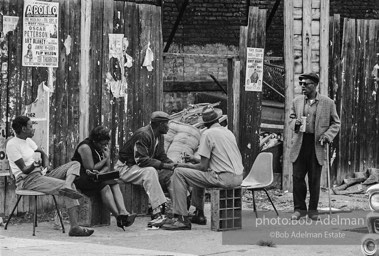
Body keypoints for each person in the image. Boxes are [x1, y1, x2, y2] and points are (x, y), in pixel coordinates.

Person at [6, 116, 94, 237]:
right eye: (31, 126)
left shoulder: (28, 141)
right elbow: (24, 170)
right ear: (23, 128)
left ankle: (67, 185)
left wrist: (46, 166)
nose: (33, 129)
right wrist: (34, 165)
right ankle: (74, 227)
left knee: (75, 164)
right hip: (27, 179)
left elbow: (42, 153)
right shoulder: (12, 144)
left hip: (41, 174)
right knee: (69, 187)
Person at [161, 107, 244, 230]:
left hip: (224, 178)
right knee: (197, 176)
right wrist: (194, 160)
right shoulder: (228, 132)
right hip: (238, 177)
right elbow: (219, 160)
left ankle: (182, 219)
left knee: (178, 173)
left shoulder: (207, 134)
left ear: (204, 123)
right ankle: (199, 214)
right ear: (217, 120)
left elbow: (203, 167)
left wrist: (181, 165)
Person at [289, 72, 340, 221]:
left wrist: (327, 136)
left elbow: (336, 123)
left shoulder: (328, 103)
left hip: (317, 144)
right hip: (300, 143)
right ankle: (299, 209)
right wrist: (295, 124)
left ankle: (313, 210)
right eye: (301, 84)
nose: (303, 86)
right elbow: (291, 119)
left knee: (314, 179)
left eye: (306, 84)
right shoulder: (297, 101)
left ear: (315, 85)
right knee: (297, 178)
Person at [115, 111, 176, 227]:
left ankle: (178, 210)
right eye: (167, 124)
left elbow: (161, 156)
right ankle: (157, 214)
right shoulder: (143, 134)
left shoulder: (159, 136)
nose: (169, 127)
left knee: (172, 172)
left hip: (136, 167)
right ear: (160, 124)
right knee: (150, 171)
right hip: (125, 168)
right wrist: (163, 165)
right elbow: (141, 160)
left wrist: (173, 165)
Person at [72, 126, 136, 231]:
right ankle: (118, 217)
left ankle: (124, 212)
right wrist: (106, 158)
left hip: (94, 175)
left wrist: (101, 173)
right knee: (105, 186)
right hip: (80, 175)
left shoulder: (100, 146)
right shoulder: (85, 147)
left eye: (106, 144)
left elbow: (106, 167)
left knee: (114, 182)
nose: (105, 146)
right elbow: (90, 167)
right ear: (94, 141)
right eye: (102, 144)